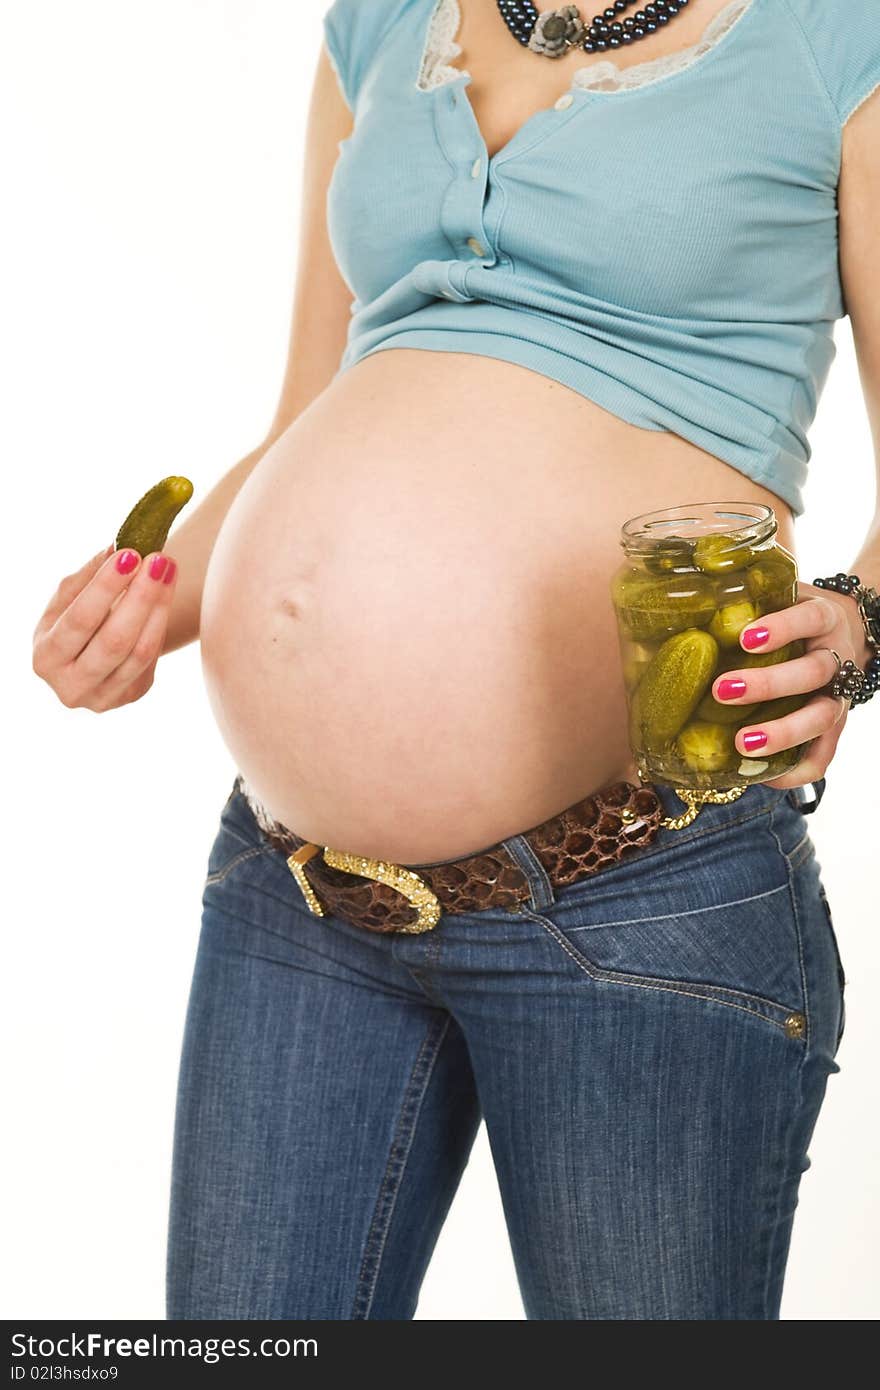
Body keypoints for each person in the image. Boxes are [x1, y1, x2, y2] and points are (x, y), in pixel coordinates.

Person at [32, 0, 880, 1320]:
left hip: (640, 884)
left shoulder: (837, 38)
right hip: (296, 895)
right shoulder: (381, 21)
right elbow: (309, 413)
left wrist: (863, 627)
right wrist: (154, 597)